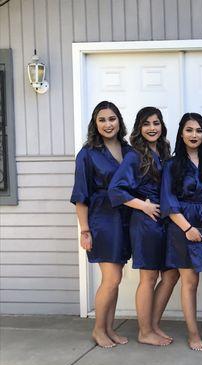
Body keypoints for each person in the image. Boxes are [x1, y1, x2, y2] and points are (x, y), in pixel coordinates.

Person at [109, 106, 179, 346]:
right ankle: (144, 331)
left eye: (156, 123)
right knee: (148, 278)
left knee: (171, 273)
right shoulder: (134, 155)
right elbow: (116, 189)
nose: (152, 128)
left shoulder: (163, 150)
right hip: (146, 222)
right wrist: (143, 206)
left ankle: (153, 324)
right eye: (147, 124)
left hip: (166, 221)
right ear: (139, 128)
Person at [160, 113, 202, 351]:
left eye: (199, 130)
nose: (194, 135)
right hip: (182, 228)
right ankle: (193, 333)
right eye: (189, 130)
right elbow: (168, 200)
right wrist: (186, 228)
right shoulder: (172, 164)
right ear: (181, 133)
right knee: (189, 282)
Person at [71, 101, 132, 348]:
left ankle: (109, 327)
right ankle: (98, 329)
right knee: (111, 278)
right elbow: (80, 196)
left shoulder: (128, 150)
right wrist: (85, 230)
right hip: (102, 220)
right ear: (95, 124)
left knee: (114, 280)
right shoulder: (88, 154)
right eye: (102, 120)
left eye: (112, 119)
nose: (108, 124)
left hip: (126, 219)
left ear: (119, 121)